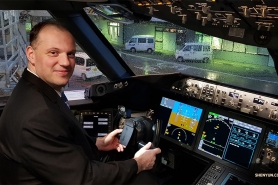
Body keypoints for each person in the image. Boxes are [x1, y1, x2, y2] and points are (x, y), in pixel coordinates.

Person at [0, 20, 161, 184]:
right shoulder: (39, 114)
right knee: (146, 180)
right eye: (54, 52)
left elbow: (58, 144)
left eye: (70, 54)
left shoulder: (31, 90)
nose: (65, 62)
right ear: (31, 54)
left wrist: (98, 144)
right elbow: (85, 179)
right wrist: (138, 164)